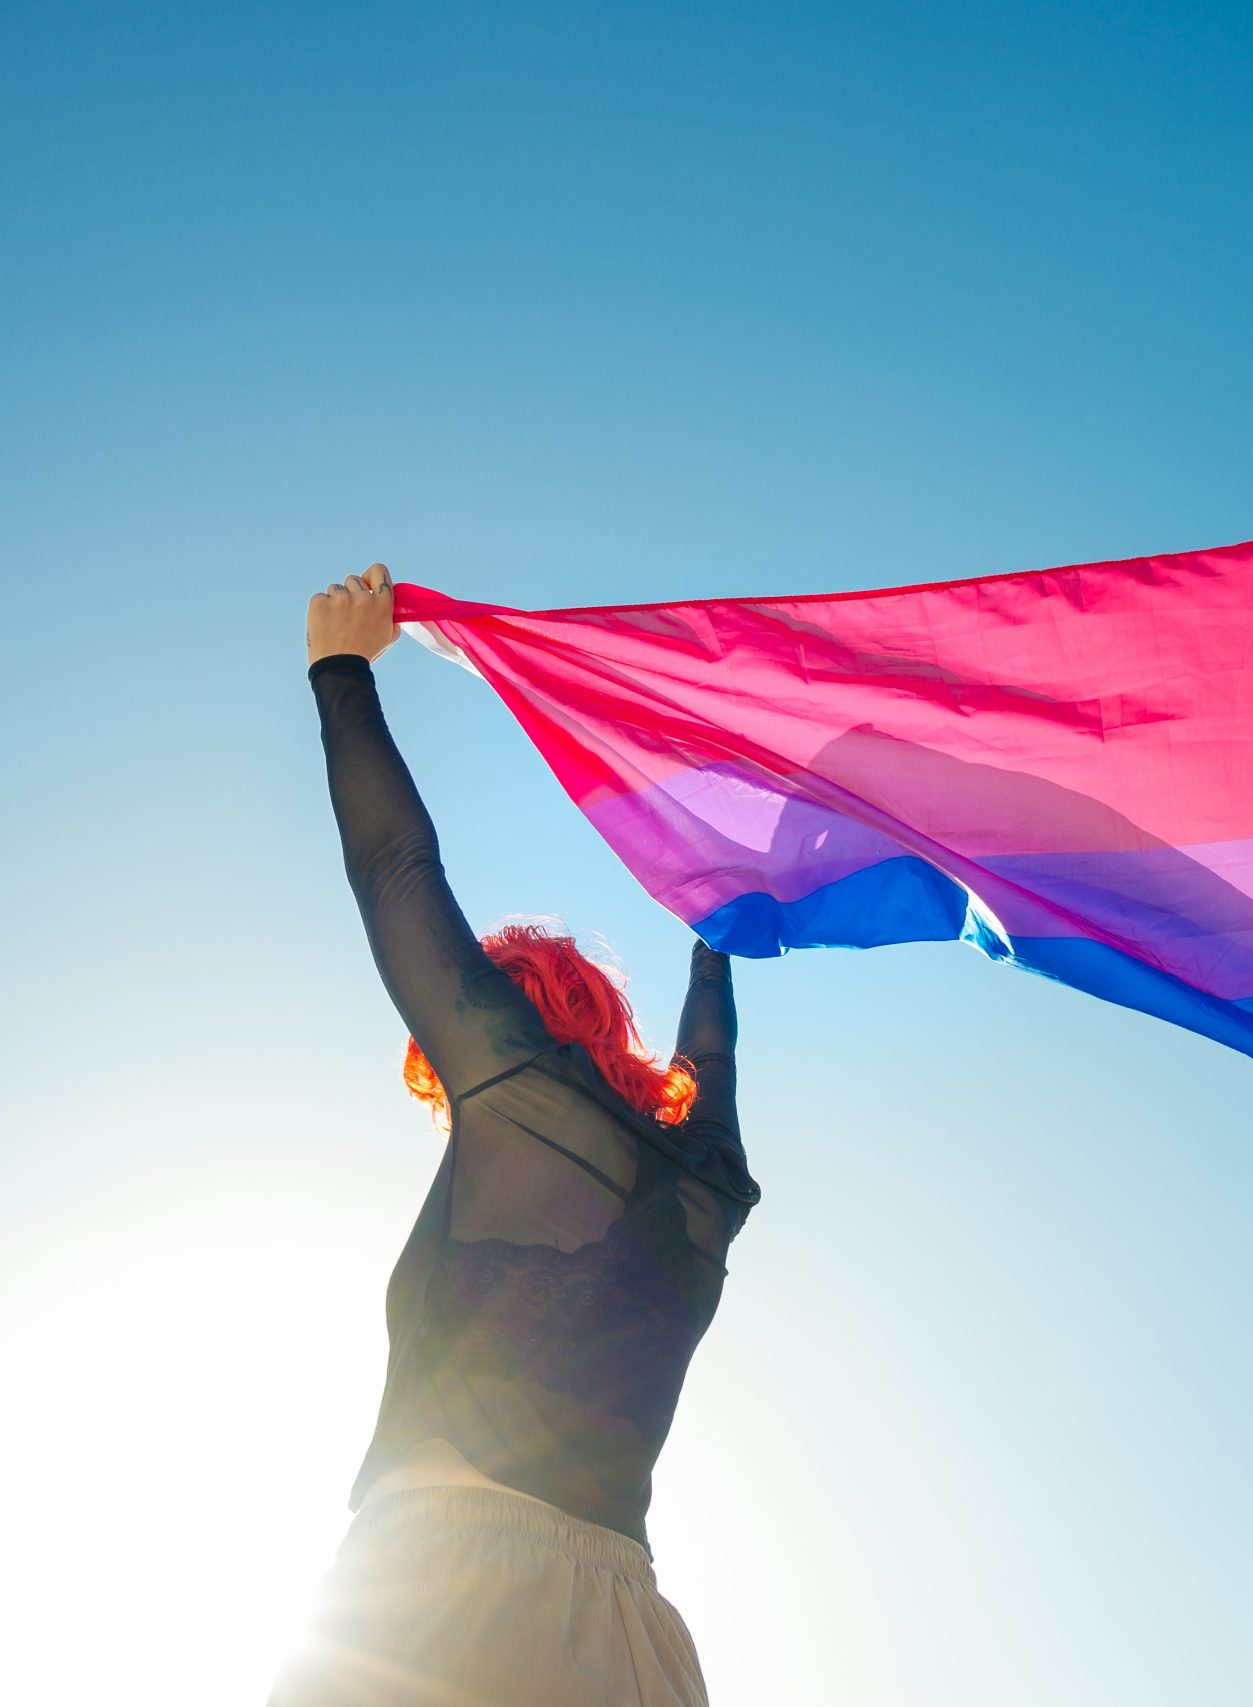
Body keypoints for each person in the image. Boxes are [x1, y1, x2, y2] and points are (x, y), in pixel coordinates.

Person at [271, 564, 758, 1707]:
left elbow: (397, 871)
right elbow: (715, 1060)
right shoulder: (710, 1191)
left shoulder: (510, 1090)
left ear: (514, 1012)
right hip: (633, 1640)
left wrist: (340, 671)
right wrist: (722, 924)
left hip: (433, 1604)